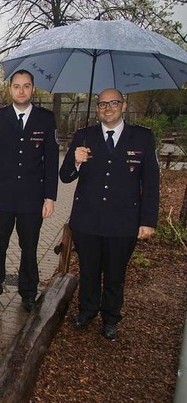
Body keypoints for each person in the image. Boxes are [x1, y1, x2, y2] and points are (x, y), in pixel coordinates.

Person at [59, 88, 159, 341]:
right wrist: (76, 160)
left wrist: (148, 221)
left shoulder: (142, 138)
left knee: (115, 274)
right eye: (102, 104)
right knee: (89, 271)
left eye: (113, 103)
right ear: (97, 108)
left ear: (123, 106)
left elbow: (150, 183)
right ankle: (87, 311)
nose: (107, 108)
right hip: (87, 220)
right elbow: (65, 176)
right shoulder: (84, 136)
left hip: (123, 221)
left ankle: (111, 317)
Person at [0, 69, 59, 312]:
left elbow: (51, 160)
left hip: (32, 199)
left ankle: (28, 293)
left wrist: (50, 197)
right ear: (10, 89)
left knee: (30, 248)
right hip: (0, 197)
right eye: (16, 86)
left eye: (26, 86)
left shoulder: (45, 119)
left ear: (33, 89)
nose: (21, 90)